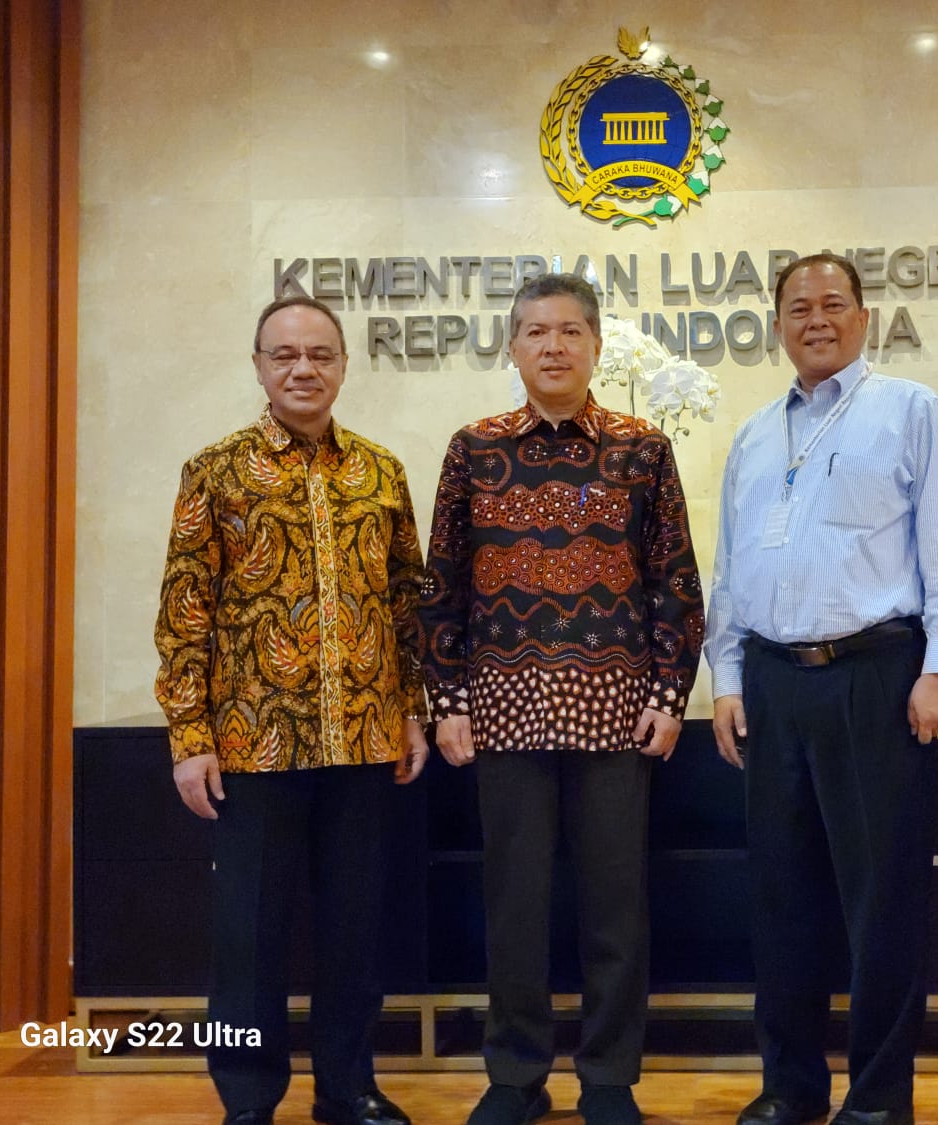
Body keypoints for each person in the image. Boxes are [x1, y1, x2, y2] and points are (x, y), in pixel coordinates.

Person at [419, 274, 705, 1125]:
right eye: (536, 331)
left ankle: (609, 1076)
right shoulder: (474, 449)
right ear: (511, 347)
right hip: (502, 714)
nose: (554, 346)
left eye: (570, 331)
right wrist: (448, 699)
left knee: (616, 906)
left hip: (615, 712)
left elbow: (675, 583)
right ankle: (515, 1075)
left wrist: (669, 693)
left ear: (596, 347)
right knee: (514, 906)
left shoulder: (641, 448)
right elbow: (441, 587)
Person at [706, 253, 938, 1125]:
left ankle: (877, 1099)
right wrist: (727, 677)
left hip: (875, 675)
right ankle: (789, 1087)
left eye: (832, 304)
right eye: (798, 307)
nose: (816, 319)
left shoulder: (910, 409)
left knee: (881, 900)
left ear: (863, 318)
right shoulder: (755, 434)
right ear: (777, 325)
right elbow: (731, 570)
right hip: (773, 684)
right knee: (781, 896)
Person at [154, 295, 429, 1125]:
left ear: (343, 364)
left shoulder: (381, 471)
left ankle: (347, 1087)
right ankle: (247, 1097)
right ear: (259, 366)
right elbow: (185, 611)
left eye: (319, 354)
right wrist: (189, 736)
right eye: (285, 355)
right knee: (249, 935)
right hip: (254, 746)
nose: (303, 368)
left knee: (356, 929)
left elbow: (407, 600)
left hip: (366, 740)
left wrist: (412, 708)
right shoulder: (215, 470)